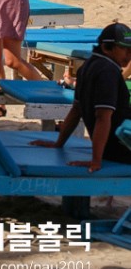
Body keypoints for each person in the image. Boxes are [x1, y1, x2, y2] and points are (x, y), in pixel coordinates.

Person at [38, 23, 131, 170]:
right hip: (122, 149)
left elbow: (76, 111)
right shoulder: (108, 72)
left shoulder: (86, 67)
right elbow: (102, 117)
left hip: (112, 148)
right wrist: (96, 161)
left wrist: (59, 143)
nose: (129, 55)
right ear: (107, 48)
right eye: (125, 49)